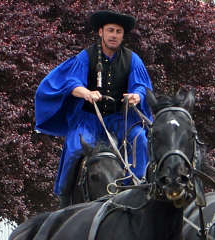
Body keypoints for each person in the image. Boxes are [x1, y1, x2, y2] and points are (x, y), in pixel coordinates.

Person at [35, 10, 153, 207]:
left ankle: (138, 188)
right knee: (75, 147)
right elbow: (71, 82)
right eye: (110, 30)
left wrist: (136, 95)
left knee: (140, 138)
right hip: (89, 118)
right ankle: (65, 196)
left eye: (118, 31)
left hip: (119, 118)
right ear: (101, 32)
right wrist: (86, 93)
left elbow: (141, 86)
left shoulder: (133, 60)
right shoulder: (85, 57)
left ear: (122, 35)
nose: (114, 35)